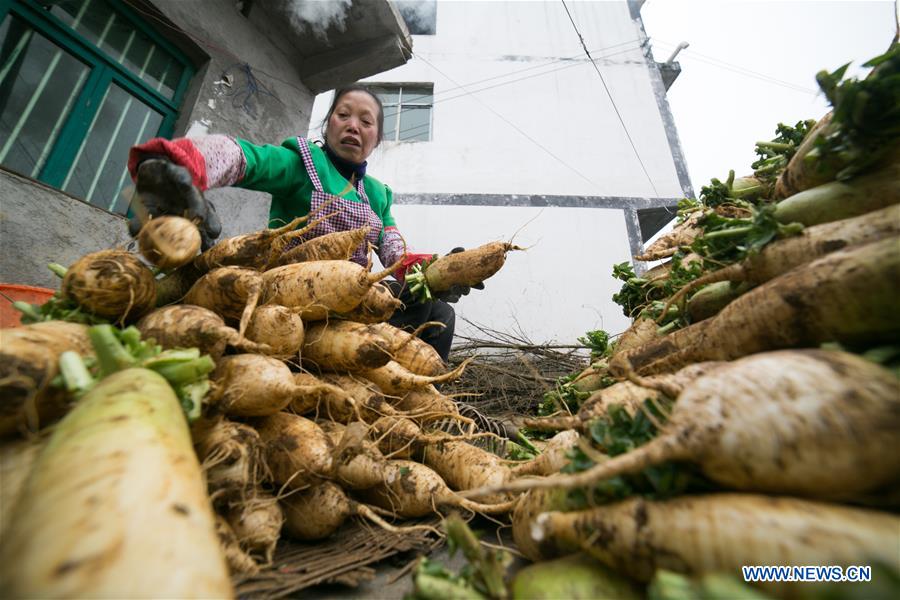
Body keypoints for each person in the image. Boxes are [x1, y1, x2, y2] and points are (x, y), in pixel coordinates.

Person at [126, 83, 479, 362]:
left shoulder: (378, 194)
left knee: (439, 313)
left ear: (376, 139)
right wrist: (180, 164)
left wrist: (437, 271)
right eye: (343, 115)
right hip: (293, 294)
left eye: (366, 121)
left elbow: (394, 253)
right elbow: (246, 158)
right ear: (328, 125)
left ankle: (425, 394)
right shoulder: (302, 163)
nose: (353, 125)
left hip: (355, 297)